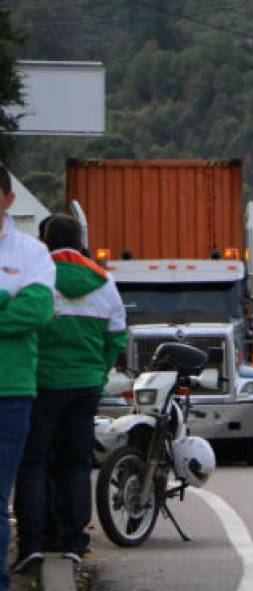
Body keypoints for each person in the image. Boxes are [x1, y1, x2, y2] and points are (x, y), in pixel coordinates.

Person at [14, 214, 127, 570]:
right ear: (81, 242)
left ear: (45, 241)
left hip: (40, 385)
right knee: (76, 465)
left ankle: (33, 543)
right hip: (85, 386)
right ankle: (75, 542)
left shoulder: (36, 276)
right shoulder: (104, 281)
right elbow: (117, 336)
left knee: (35, 465)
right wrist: (98, 371)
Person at [0, 165, 55, 588]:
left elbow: (36, 311)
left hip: (11, 392)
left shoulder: (31, 253)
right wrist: (6, 300)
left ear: (8, 199)